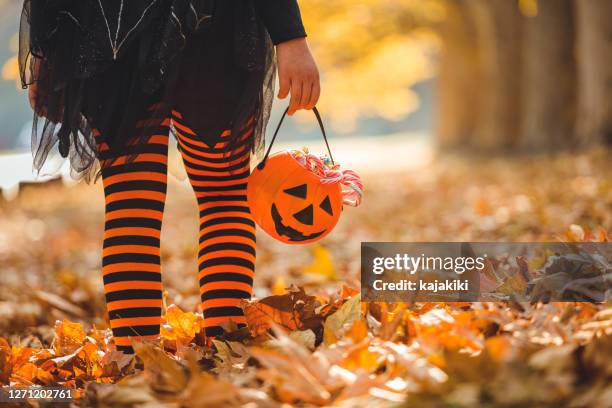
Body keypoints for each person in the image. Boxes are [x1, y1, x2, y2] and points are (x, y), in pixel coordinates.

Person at [20, 0, 320, 354]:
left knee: (138, 202)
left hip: (113, 28)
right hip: (201, 27)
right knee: (220, 197)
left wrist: (45, 46)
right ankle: (225, 348)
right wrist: (290, 35)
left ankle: (137, 358)